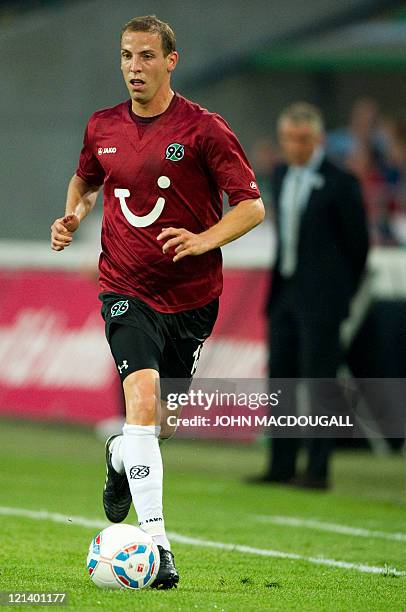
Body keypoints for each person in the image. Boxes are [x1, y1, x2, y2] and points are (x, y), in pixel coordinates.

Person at [50, 15, 264, 589]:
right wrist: (76, 213)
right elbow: (88, 179)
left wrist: (202, 240)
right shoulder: (102, 125)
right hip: (124, 288)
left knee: (158, 425)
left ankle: (121, 455)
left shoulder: (204, 130)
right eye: (126, 56)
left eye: (146, 57)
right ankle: (158, 546)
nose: (134, 68)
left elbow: (250, 206)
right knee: (141, 403)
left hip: (192, 299)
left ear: (171, 60)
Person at [254, 102, 368, 490]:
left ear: (318, 138)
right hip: (284, 292)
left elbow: (359, 246)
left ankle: (318, 469)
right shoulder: (283, 174)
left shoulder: (341, 182)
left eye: (302, 139)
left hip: (322, 300)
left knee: (320, 382)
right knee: (281, 380)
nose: (294, 146)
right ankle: (281, 463)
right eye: (288, 138)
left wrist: (340, 295)